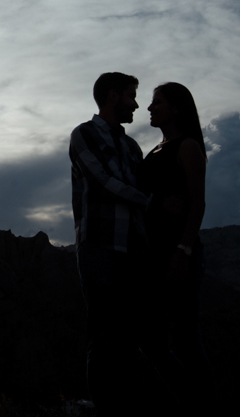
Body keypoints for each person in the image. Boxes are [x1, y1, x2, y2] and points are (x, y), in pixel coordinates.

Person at [69, 72, 154, 417]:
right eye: (132, 96)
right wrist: (151, 201)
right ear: (113, 96)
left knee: (128, 338)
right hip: (100, 247)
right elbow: (103, 182)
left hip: (132, 250)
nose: (136, 104)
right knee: (104, 337)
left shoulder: (132, 146)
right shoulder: (83, 135)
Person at [140, 82, 212, 398]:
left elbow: (197, 203)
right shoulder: (155, 149)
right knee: (152, 339)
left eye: (157, 102)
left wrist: (183, 250)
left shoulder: (187, 146)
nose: (150, 108)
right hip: (153, 254)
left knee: (184, 337)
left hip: (178, 253)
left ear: (176, 108)